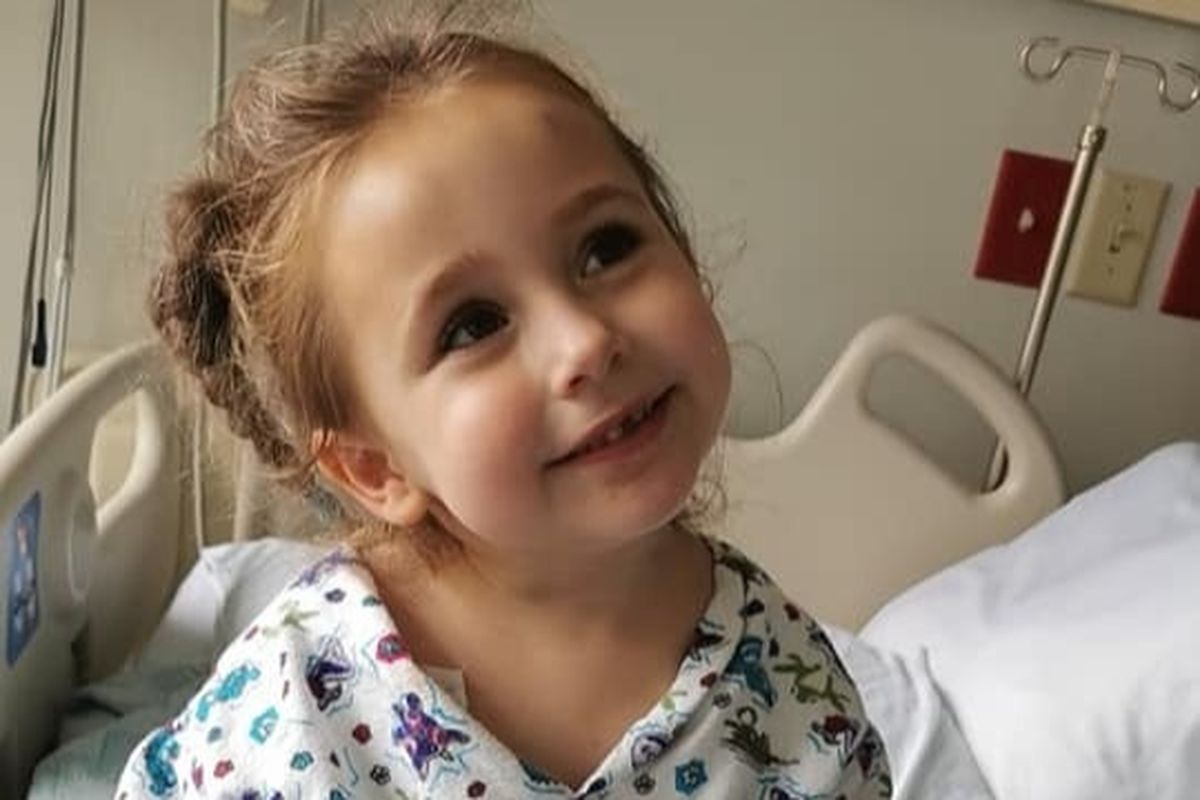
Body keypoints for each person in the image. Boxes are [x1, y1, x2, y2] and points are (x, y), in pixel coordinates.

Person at [117, 6, 892, 797]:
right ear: (374, 467)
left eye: (607, 248)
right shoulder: (296, 714)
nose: (585, 341)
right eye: (473, 326)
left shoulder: (794, 698)